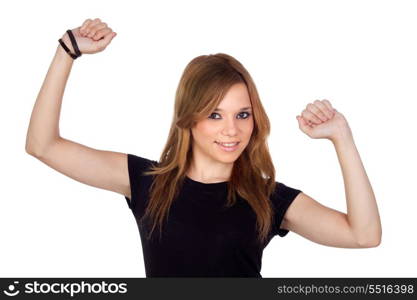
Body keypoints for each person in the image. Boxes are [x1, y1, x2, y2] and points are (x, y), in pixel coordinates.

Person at [25, 18, 382, 278]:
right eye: (215, 114)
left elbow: (364, 236)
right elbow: (43, 146)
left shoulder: (266, 197)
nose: (232, 129)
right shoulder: (147, 182)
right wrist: (66, 52)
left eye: (243, 114)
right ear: (189, 118)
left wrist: (342, 138)